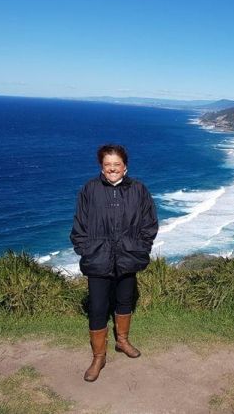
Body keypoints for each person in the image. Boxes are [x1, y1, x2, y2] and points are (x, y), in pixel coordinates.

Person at [70, 144, 158, 382]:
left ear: (125, 166)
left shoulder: (139, 190)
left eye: (116, 164)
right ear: (102, 166)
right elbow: (79, 226)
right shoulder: (90, 189)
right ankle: (99, 357)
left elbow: (149, 224)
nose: (112, 169)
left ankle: (123, 341)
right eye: (107, 164)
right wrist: (87, 251)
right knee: (98, 308)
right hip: (98, 259)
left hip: (128, 258)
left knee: (125, 301)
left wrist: (140, 248)